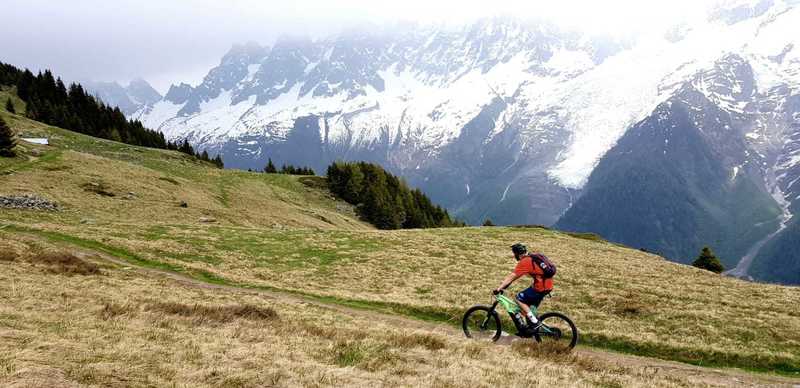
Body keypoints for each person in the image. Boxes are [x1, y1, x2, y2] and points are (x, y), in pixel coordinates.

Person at [494, 243, 553, 334]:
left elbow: (512, 276)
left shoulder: (525, 261)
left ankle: (535, 322)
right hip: (548, 286)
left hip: (540, 287)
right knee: (528, 308)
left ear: (517, 254)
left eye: (514, 254)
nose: (514, 256)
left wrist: (499, 288)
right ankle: (528, 329)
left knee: (519, 298)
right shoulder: (533, 257)